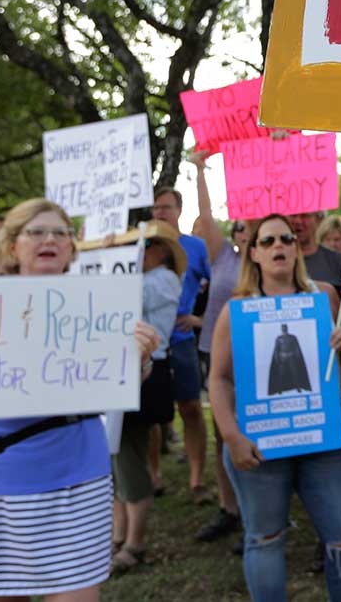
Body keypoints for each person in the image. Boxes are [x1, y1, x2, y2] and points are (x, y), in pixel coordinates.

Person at [0, 198, 160, 600]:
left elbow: (121, 383)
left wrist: (140, 360)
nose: (48, 239)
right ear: (12, 245)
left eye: (59, 232)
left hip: (76, 478)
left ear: (71, 246)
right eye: (36, 232)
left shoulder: (99, 303)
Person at [206, 214, 341, 602]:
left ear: (297, 249)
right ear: (254, 253)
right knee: (264, 539)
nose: (279, 246)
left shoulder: (324, 296)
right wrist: (231, 436)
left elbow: (337, 363)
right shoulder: (236, 310)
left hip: (321, 439)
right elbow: (219, 380)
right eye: (269, 240)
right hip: (259, 444)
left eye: (287, 239)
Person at [110, 221, 185, 574]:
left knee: (129, 454)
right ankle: (119, 534)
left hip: (147, 371)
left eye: (142, 247)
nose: (137, 254)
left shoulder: (165, 280)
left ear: (160, 252)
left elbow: (125, 300)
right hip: (122, 369)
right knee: (117, 456)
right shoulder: (143, 278)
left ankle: (134, 542)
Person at [186, 151, 246, 543]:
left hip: (260, 357)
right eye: (236, 226)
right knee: (223, 432)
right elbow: (207, 217)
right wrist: (200, 171)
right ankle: (229, 508)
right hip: (216, 353)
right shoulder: (221, 256)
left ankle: (260, 509)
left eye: (248, 226)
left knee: (255, 432)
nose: (243, 231)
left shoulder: (266, 259)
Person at [150, 186, 212, 502]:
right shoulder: (140, 248)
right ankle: (153, 476)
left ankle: (197, 480)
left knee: (190, 407)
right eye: (155, 208)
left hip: (183, 339)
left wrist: (201, 321)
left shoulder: (196, 247)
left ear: (179, 210)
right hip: (148, 342)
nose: (159, 213)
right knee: (149, 415)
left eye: (166, 207)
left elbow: (220, 286)